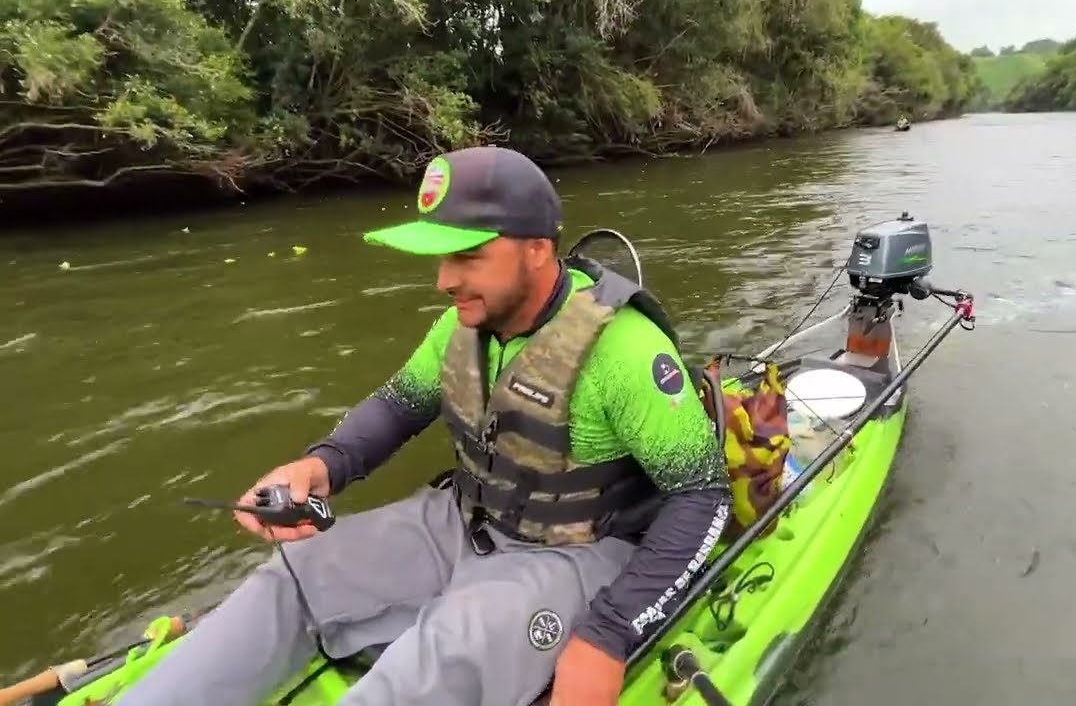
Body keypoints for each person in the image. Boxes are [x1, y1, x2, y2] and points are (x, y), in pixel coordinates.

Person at [112, 145, 732, 706]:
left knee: (435, 660)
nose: (444, 280)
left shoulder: (624, 351)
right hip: (460, 519)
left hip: (576, 551)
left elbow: (702, 494)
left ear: (537, 249)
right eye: (441, 257)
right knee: (293, 578)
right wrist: (319, 464)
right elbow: (398, 406)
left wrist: (610, 632)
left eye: (467, 256)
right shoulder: (460, 328)